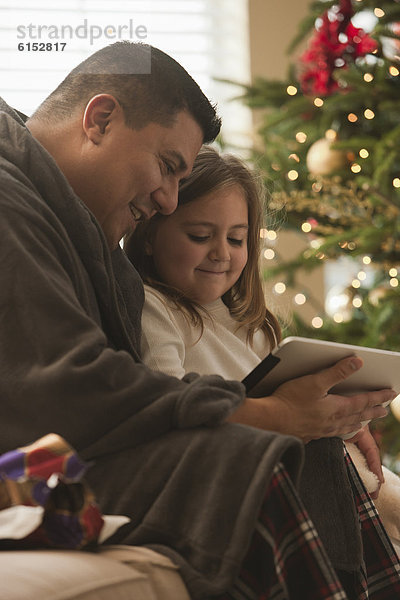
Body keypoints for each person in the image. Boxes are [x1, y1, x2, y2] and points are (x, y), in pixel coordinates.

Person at [0, 41, 397, 599]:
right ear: (101, 119)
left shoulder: (85, 233)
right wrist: (269, 414)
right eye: (167, 168)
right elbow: (65, 389)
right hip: (23, 464)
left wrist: (319, 415)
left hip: (72, 447)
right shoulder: (9, 199)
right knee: (245, 456)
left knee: (307, 442)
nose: (167, 201)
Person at [125, 145, 400, 598]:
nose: (221, 254)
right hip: (252, 475)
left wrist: (349, 417)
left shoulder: (253, 324)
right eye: (199, 235)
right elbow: (169, 401)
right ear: (151, 235)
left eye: (237, 239)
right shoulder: (154, 308)